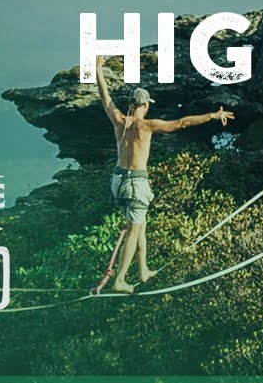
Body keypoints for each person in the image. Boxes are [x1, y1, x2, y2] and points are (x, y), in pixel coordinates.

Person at [95, 55, 234, 293]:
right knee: (133, 230)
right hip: (137, 182)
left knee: (140, 225)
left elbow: (105, 97)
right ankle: (120, 279)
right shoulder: (146, 126)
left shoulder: (119, 121)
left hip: (118, 181)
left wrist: (98, 68)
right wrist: (211, 116)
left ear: (131, 104)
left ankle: (143, 270)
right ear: (145, 105)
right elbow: (181, 123)